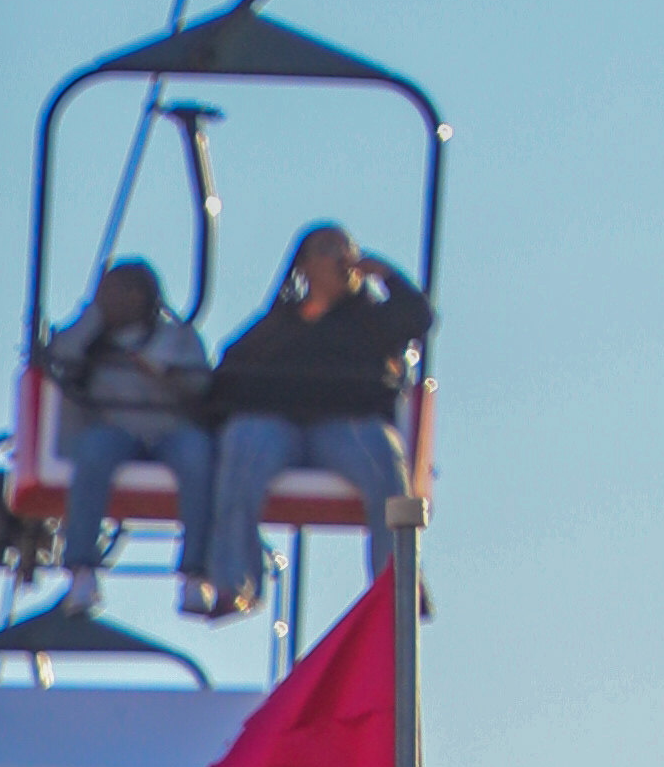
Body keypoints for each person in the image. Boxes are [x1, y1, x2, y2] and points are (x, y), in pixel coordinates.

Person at [192, 226, 427, 616]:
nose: (340, 257)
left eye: (346, 248)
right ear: (303, 265)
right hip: (276, 424)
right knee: (240, 448)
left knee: (384, 459)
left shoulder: (370, 320)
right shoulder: (280, 323)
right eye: (326, 248)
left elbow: (418, 318)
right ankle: (234, 583)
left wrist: (386, 275)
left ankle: (398, 582)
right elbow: (231, 365)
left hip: (344, 424)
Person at [35, 256, 214, 613]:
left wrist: (166, 375)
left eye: (115, 293)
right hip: (115, 430)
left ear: (140, 297)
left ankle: (196, 572)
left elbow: (202, 385)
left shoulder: (177, 337)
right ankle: (82, 569)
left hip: (169, 431)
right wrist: (91, 322)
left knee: (197, 454)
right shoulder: (89, 341)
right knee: (93, 452)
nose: (105, 300)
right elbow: (57, 359)